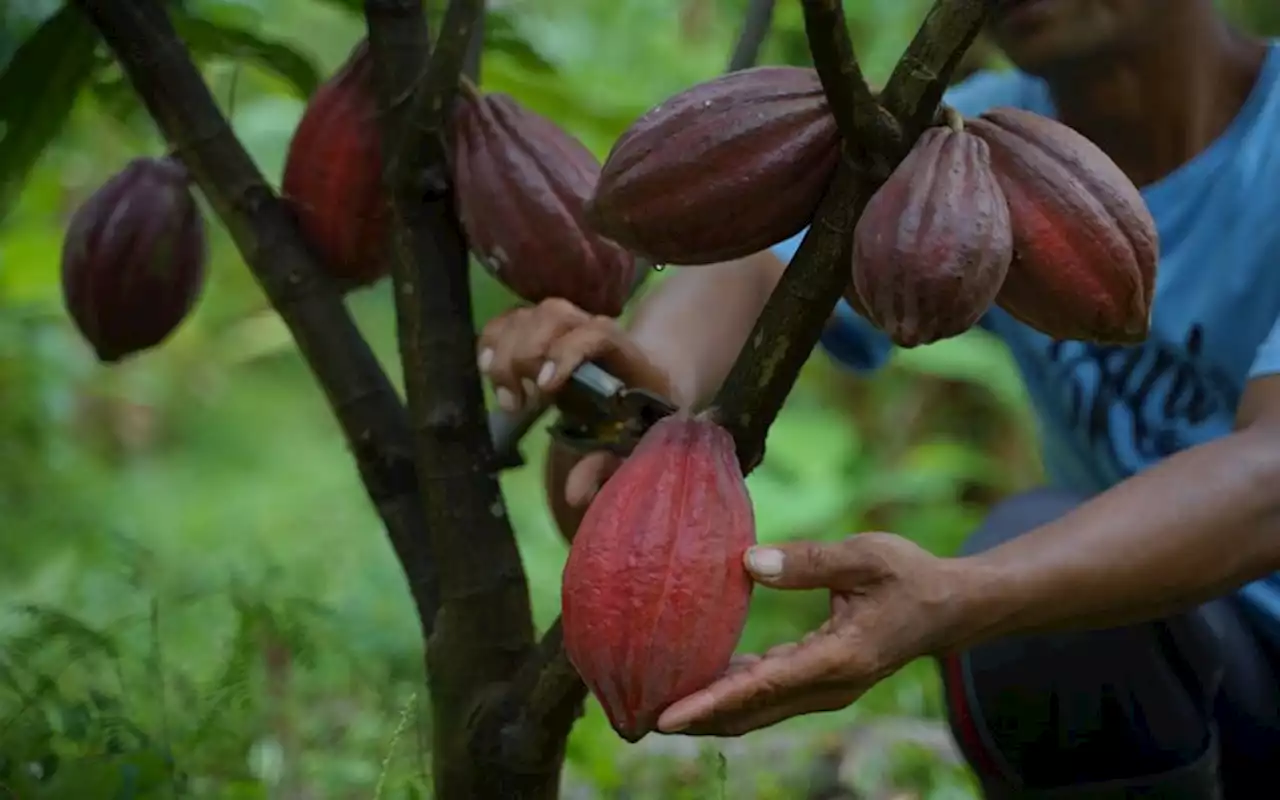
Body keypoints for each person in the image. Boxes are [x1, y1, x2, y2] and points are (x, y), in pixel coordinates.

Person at [477, 0, 1280, 796]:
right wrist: (644, 381)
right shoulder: (961, 144)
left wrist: (967, 596)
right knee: (1061, 630)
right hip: (1188, 658)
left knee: (1032, 565)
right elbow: (755, 268)